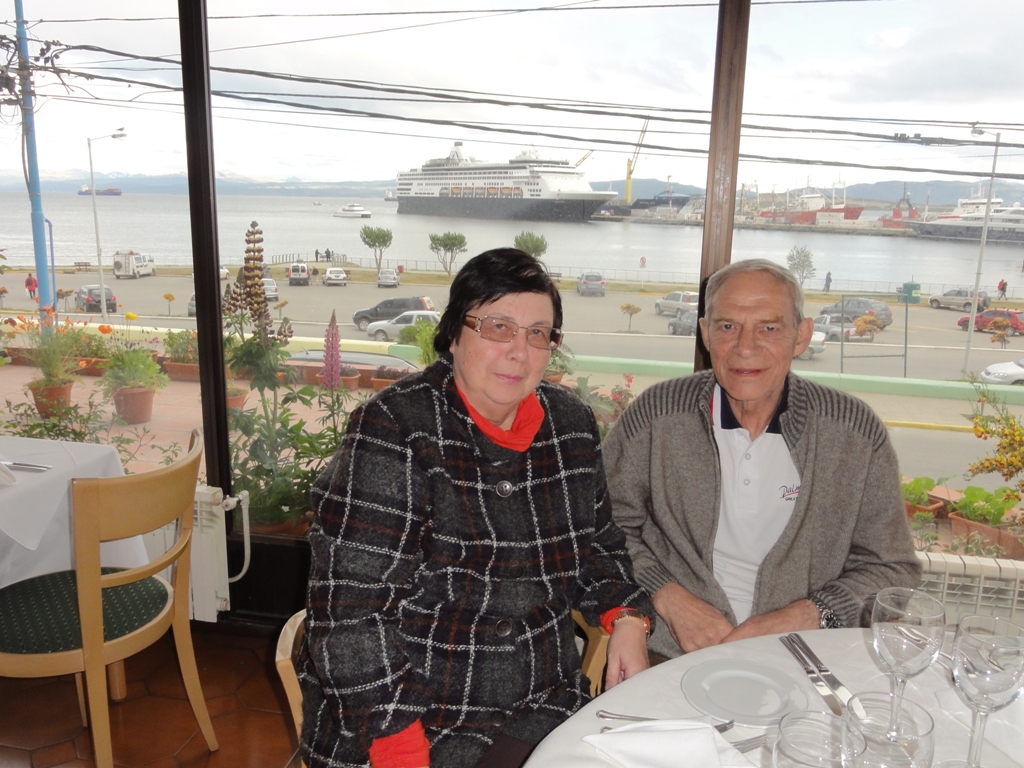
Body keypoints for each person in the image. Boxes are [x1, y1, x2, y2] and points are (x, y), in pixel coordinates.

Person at [300, 248, 653, 768]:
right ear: (454, 333)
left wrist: (628, 618)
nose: (519, 352)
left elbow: (599, 548)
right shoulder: (394, 429)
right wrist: (399, 746)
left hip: (542, 703)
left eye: (538, 333)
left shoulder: (570, 425)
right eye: (498, 327)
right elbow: (350, 610)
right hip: (413, 715)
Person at [603, 258, 919, 660]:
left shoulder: (853, 431)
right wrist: (666, 595)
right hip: (671, 651)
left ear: (801, 336)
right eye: (727, 327)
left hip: (807, 658)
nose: (745, 348)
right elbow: (601, 529)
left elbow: (893, 570)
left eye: (769, 328)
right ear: (705, 333)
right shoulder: (657, 415)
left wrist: (808, 615)